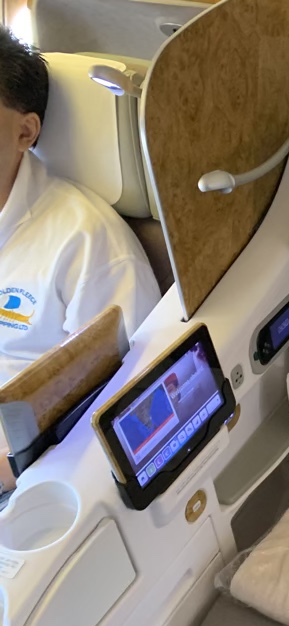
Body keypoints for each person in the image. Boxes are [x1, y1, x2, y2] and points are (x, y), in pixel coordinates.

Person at [0, 27, 161, 492]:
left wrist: (13, 470)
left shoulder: (89, 243)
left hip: (28, 477)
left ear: (25, 132)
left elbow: (120, 410)